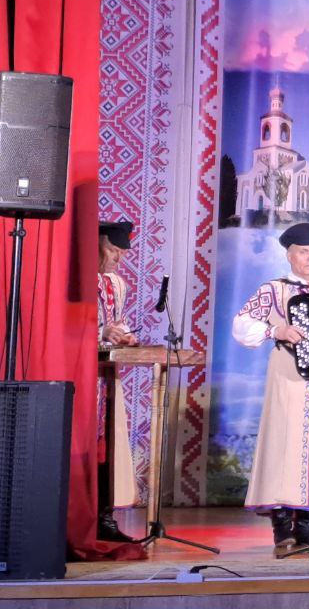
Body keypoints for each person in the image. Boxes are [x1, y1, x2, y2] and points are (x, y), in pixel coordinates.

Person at [233, 222, 309, 558]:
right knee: (285, 444)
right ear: (290, 255)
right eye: (304, 252)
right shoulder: (274, 289)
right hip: (289, 375)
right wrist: (276, 330)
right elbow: (241, 325)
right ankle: (283, 526)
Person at [97, 220, 140, 542]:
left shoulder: (117, 284)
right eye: (112, 250)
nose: (117, 258)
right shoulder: (76, 278)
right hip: (80, 374)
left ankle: (104, 516)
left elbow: (118, 322)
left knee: (107, 443)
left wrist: (124, 336)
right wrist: (101, 332)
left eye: (122, 253)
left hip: (107, 376)